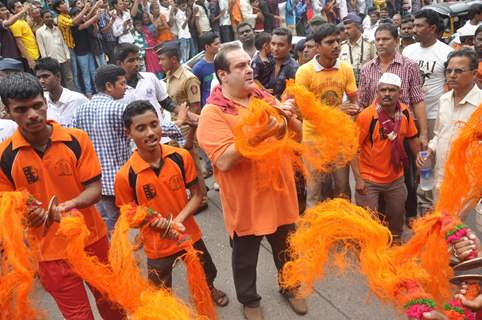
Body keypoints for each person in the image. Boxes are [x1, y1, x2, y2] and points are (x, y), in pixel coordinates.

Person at [0, 72, 125, 320]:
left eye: (37, 105)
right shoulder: (5, 157)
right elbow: (8, 207)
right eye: (21, 110)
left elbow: (94, 190)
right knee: (78, 317)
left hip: (93, 241)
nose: (33, 115)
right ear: (8, 111)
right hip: (50, 256)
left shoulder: (76, 140)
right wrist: (27, 215)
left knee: (114, 308)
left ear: (45, 102)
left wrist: (69, 206)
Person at [197, 43, 308, 320]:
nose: (250, 69)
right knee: (245, 258)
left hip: (279, 192)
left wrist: (291, 117)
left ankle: (289, 286)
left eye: (249, 63)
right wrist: (257, 135)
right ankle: (249, 300)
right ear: (223, 75)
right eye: (241, 66)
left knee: (286, 247)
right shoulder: (214, 113)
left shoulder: (262, 97)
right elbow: (222, 160)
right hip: (247, 201)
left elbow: (297, 137)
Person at [114, 100, 230, 306]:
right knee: (160, 287)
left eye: (154, 124)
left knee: (206, 269)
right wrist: (151, 222)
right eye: (141, 128)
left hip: (188, 233)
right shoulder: (126, 175)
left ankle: (209, 288)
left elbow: (196, 195)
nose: (150, 132)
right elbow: (129, 216)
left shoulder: (180, 157)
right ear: (128, 133)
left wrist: (178, 220)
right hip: (156, 245)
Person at [359, 23, 426, 226]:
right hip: (375, 129)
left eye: (385, 39)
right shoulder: (367, 68)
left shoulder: (409, 65)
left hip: (403, 128)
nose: (380, 43)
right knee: (377, 177)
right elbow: (362, 102)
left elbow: (417, 100)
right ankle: (380, 221)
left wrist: (423, 134)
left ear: (396, 41)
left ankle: (409, 214)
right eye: (377, 39)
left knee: (406, 174)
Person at [295, 23, 358, 207]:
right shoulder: (304, 72)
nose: (336, 45)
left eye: (338, 41)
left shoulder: (345, 68)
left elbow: (354, 99)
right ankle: (313, 231)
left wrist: (354, 112)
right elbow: (303, 112)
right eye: (330, 42)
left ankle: (344, 227)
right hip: (313, 139)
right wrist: (339, 111)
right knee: (315, 190)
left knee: (343, 188)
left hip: (339, 138)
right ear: (317, 46)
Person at [353, 73, 420, 243]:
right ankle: (371, 246)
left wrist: (419, 162)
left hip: (396, 177)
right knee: (368, 218)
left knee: (397, 214)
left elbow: (412, 138)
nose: (387, 94)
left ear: (400, 92)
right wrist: (359, 180)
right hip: (369, 178)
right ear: (377, 92)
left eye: (392, 90)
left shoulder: (404, 112)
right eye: (383, 90)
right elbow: (352, 149)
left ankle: (395, 240)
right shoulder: (367, 116)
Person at [71, 64, 131, 233]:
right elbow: (143, 125)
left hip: (94, 181)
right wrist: (180, 123)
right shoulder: (120, 109)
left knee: (108, 221)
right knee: (122, 222)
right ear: (109, 86)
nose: (125, 88)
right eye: (122, 83)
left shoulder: (80, 111)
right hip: (119, 179)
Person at [416, 49, 482, 201]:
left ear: (473, 74)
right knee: (442, 220)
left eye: (459, 71)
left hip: (469, 180)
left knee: (459, 223)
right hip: (441, 175)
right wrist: (430, 150)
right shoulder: (444, 99)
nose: (452, 75)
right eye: (449, 70)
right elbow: (439, 133)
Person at [157, 45, 209, 212]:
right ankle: (196, 193)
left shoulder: (188, 78)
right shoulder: (169, 75)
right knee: (182, 166)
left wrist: (191, 130)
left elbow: (195, 107)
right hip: (175, 125)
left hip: (186, 128)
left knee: (193, 164)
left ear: (173, 59)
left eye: (162, 59)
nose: (160, 63)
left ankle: (202, 199)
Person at [115, 43, 186, 146]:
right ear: (119, 63)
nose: (136, 63)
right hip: (134, 145)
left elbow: (166, 102)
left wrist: (187, 115)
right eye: (131, 60)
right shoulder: (116, 90)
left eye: (138, 59)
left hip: (161, 138)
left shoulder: (150, 78)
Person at [403, 9, 453, 141]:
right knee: (413, 157)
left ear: (432, 28)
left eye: (419, 26)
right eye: (414, 25)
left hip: (434, 114)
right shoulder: (408, 51)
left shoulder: (447, 53)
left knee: (431, 155)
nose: (414, 29)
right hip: (409, 114)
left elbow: (452, 86)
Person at [35, 57, 88, 127]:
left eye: (45, 76)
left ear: (58, 76)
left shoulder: (78, 100)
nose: (41, 81)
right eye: (39, 78)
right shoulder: (42, 103)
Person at [35, 9, 76, 91]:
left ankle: (72, 95)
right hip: (52, 61)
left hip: (63, 59)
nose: (49, 18)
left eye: (51, 17)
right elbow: (42, 48)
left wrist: (67, 56)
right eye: (47, 17)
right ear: (42, 19)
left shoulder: (57, 29)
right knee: (56, 80)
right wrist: (46, 62)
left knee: (69, 79)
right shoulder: (39, 32)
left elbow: (63, 43)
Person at [339, 13, 376, 85]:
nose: (346, 31)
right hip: (347, 85)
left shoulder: (369, 44)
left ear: (358, 27)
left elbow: (376, 64)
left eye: (349, 28)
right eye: (345, 29)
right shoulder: (342, 46)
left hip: (366, 84)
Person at [266, 27, 298, 99]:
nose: (275, 48)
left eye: (281, 45)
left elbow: (293, 96)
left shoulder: (293, 68)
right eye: (273, 44)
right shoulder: (267, 61)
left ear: (289, 47)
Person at [7, 0, 40, 70]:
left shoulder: (22, 21)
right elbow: (19, 43)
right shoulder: (16, 23)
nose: (22, 9)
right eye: (19, 7)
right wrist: (29, 60)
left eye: (22, 6)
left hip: (35, 55)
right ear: (12, 10)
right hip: (29, 58)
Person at [192, 31, 221, 108]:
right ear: (207, 47)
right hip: (209, 106)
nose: (219, 46)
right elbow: (196, 93)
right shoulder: (198, 68)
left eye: (219, 43)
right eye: (216, 44)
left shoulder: (222, 62)